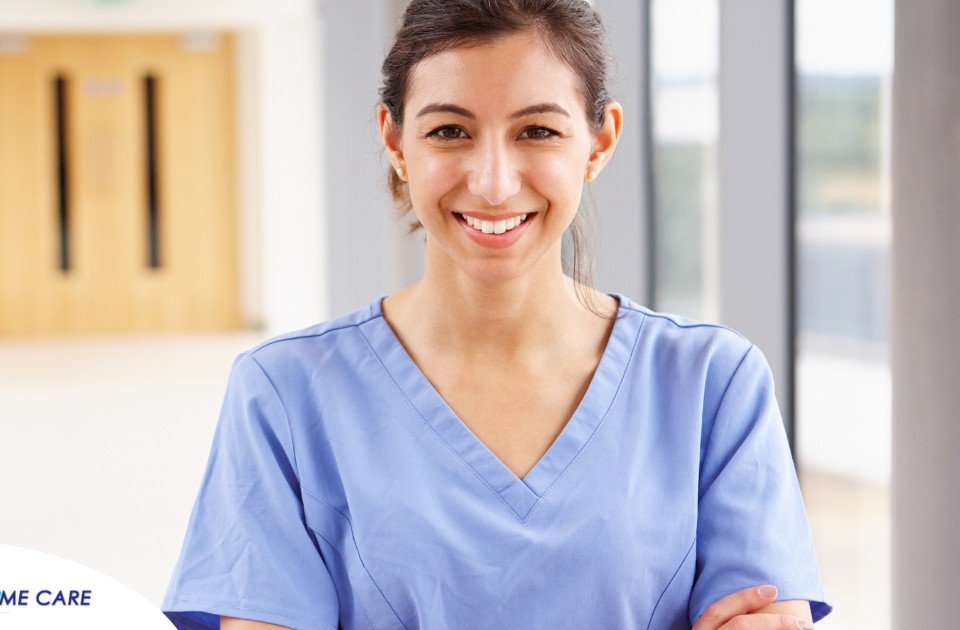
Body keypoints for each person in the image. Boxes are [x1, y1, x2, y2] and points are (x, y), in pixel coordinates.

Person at [161, 0, 833, 628]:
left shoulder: (712, 384)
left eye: (537, 130)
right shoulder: (285, 394)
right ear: (394, 141)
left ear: (599, 143)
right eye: (449, 130)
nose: (492, 181)